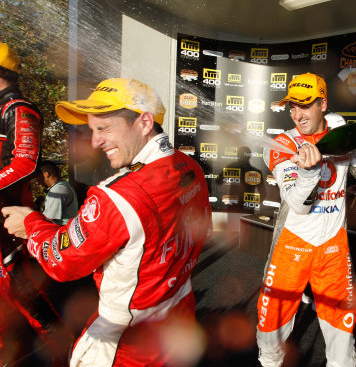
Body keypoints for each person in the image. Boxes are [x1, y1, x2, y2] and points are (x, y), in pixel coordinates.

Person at [3, 78, 212, 366]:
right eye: (92, 130)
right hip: (178, 319)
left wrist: (31, 225)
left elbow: (60, 262)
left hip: (126, 343)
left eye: (104, 128)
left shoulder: (117, 196)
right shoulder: (189, 167)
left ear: (144, 122)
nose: (95, 141)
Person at [256, 72, 356, 367]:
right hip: (292, 246)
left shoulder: (341, 131)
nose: (297, 114)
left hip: (332, 248)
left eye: (305, 105)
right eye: (292, 106)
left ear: (323, 104)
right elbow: (298, 206)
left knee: (343, 342)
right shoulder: (280, 144)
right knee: (269, 336)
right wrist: (308, 172)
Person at [0, 42, 72, 365]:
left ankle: (63, 345)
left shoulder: (18, 107)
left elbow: (26, 163)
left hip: (11, 212)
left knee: (20, 284)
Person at [38, 160, 78, 225]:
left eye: (38, 176)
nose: (37, 180)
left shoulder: (57, 190)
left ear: (46, 174)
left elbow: (48, 219)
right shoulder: (61, 186)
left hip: (63, 231)